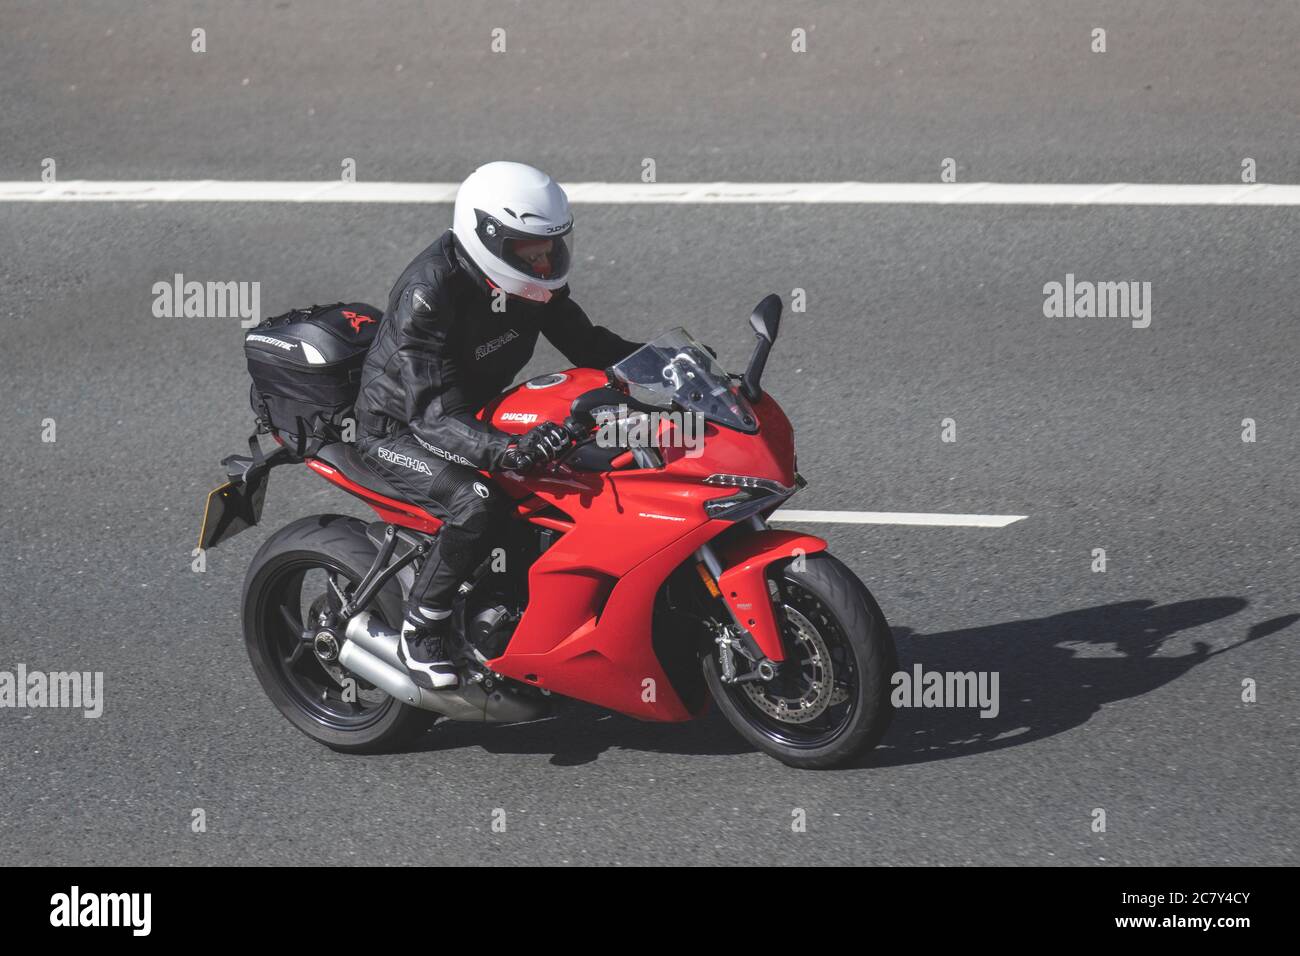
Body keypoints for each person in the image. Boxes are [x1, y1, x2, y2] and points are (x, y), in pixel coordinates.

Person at [354, 162, 641, 689]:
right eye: (530, 250)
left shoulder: (536, 282)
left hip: (475, 413)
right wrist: (506, 451)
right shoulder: (429, 293)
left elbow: (589, 345)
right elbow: (431, 415)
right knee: (478, 503)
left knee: (582, 472)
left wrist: (664, 362)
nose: (544, 261)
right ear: (488, 237)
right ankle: (422, 627)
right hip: (399, 429)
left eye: (551, 248)